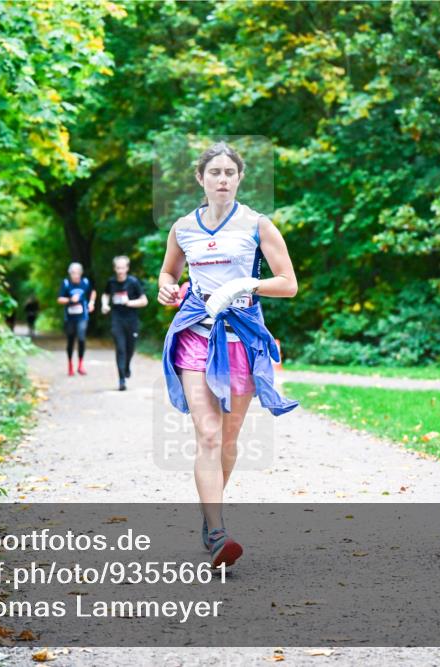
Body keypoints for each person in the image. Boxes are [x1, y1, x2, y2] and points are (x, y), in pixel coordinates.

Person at [158, 142, 298, 568]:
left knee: (229, 439)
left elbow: (288, 283)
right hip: (195, 335)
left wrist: (244, 286)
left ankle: (210, 511)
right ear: (201, 178)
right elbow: (169, 272)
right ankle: (219, 534)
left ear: (239, 178)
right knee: (209, 434)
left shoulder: (258, 225)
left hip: (241, 337)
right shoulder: (183, 227)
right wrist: (165, 287)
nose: (222, 179)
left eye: (229, 173)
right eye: (214, 172)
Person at [101, 256, 148, 390]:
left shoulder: (133, 282)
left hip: (131, 320)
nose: (120, 270)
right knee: (120, 349)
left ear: (127, 268)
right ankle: (122, 380)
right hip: (117, 320)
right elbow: (105, 294)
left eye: (122, 268)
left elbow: (144, 301)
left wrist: (129, 302)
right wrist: (104, 305)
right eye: (118, 268)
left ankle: (126, 366)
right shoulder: (111, 282)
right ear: (114, 268)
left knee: (130, 349)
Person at [57, 263, 95, 376]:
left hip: (82, 316)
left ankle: (80, 364)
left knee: (82, 337)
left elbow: (93, 292)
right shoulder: (66, 283)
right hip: (70, 317)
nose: (75, 275)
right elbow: (59, 299)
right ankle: (70, 365)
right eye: (73, 273)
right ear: (70, 274)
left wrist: (91, 303)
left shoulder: (85, 282)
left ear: (81, 273)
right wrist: (70, 300)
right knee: (71, 340)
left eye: (77, 273)